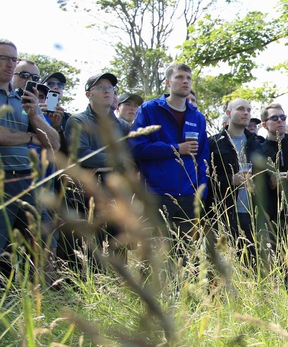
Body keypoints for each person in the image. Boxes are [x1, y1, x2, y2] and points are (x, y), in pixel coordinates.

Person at [0, 39, 61, 273]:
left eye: (12, 59)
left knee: (41, 246)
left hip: (28, 181)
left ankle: (42, 302)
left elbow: (53, 143)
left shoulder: (25, 101)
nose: (9, 64)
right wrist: (29, 137)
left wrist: (35, 116)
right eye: (4, 58)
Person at [129, 63, 210, 238]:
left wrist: (201, 192)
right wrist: (175, 149)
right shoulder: (149, 110)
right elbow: (137, 148)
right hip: (156, 195)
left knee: (187, 258)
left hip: (189, 198)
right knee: (157, 257)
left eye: (188, 78)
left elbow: (204, 158)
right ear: (168, 82)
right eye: (179, 77)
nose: (185, 81)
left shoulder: (198, 117)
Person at [62, 72, 133, 262]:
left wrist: (103, 165)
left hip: (117, 194)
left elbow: (130, 160)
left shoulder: (124, 126)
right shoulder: (77, 121)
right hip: (86, 194)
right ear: (88, 94)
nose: (107, 91)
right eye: (101, 87)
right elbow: (81, 154)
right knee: (88, 252)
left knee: (118, 249)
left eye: (110, 88)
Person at [208, 98, 264, 254]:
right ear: (228, 113)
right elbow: (203, 179)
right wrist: (229, 181)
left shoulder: (255, 143)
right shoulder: (214, 143)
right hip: (224, 214)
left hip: (251, 214)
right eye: (240, 109)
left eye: (248, 109)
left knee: (251, 266)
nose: (246, 113)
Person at [259, 102, 288, 236]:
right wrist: (269, 183)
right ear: (265, 124)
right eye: (275, 118)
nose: (280, 121)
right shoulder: (259, 151)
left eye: (283, 117)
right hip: (268, 219)